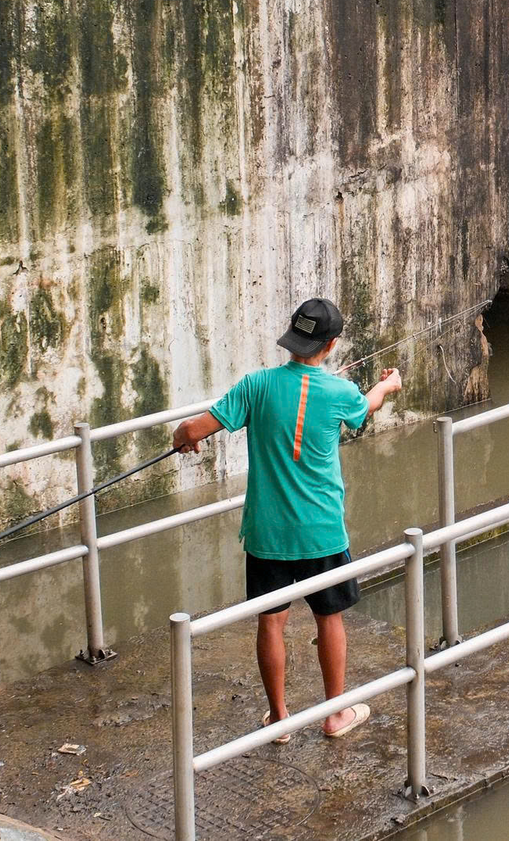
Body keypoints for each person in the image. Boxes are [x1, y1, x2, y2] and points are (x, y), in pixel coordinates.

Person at [170, 298, 403, 741]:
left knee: (271, 620)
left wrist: (183, 438)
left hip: (267, 532)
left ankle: (279, 720)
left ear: (292, 339)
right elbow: (364, 408)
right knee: (329, 619)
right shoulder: (340, 393)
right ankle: (336, 715)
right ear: (331, 345)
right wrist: (388, 386)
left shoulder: (256, 384)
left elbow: (194, 430)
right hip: (322, 532)